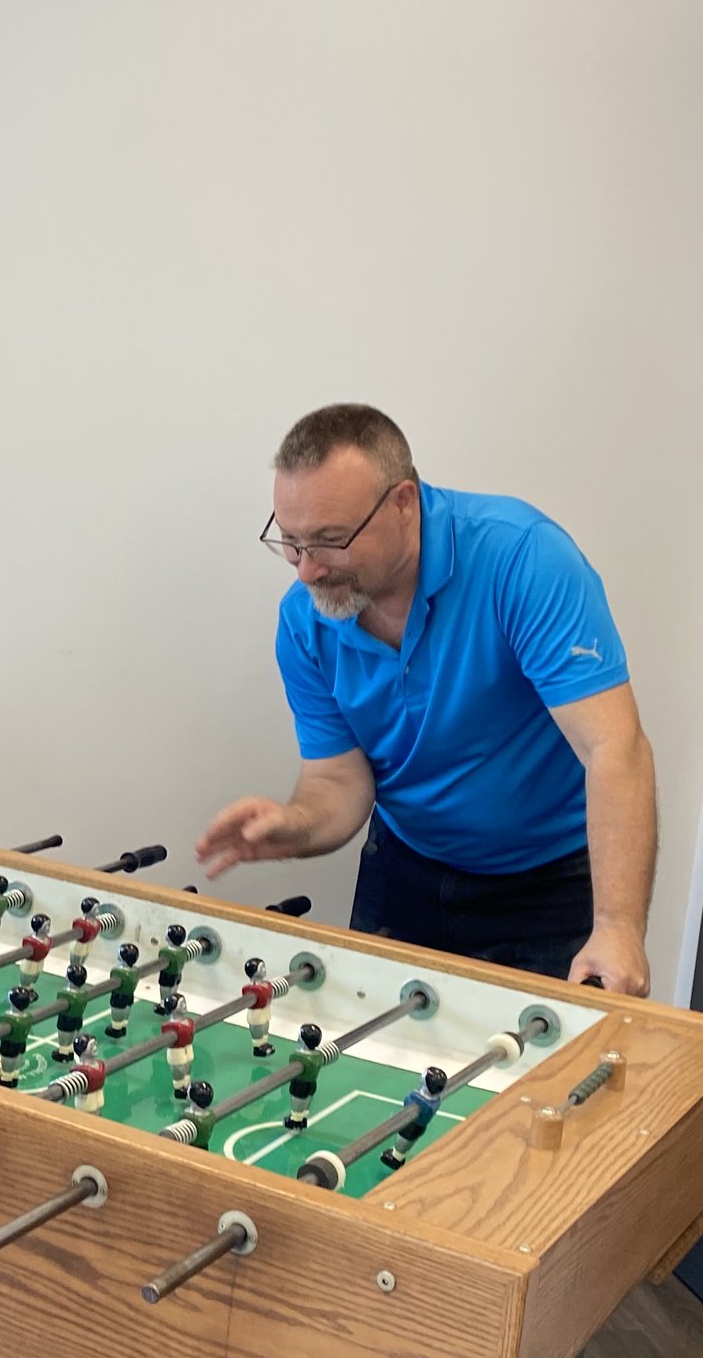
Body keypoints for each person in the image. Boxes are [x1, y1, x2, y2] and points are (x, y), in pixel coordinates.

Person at [196, 403, 657, 994]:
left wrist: (618, 926)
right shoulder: (304, 619)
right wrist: (295, 826)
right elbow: (338, 783)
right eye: (291, 542)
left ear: (403, 504)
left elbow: (613, 747)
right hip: (405, 870)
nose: (308, 571)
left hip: (548, 883)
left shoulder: (522, 559)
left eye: (331, 541)